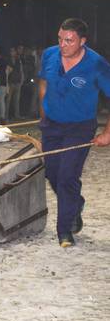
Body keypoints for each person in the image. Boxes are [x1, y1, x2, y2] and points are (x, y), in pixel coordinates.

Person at [38, 18, 110, 248]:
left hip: (80, 128)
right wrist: (43, 112)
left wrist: (108, 133)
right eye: (60, 39)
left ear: (82, 41)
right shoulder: (49, 55)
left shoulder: (96, 64)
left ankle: (65, 230)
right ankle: (75, 203)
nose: (63, 45)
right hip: (52, 125)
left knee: (68, 177)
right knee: (52, 174)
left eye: (69, 41)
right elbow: (42, 83)